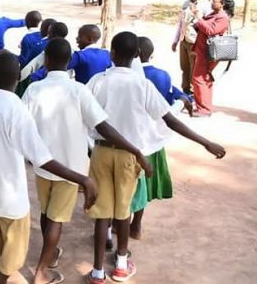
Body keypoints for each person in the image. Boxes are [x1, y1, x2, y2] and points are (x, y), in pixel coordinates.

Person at [0, 52, 98, 284]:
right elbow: (42, 159)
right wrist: (83, 179)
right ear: (17, 78)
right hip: (11, 202)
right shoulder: (17, 111)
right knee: (10, 263)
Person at [84, 32, 225, 284]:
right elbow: (170, 120)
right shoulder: (143, 85)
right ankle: (121, 264)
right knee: (123, 211)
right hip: (130, 156)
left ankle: (97, 272)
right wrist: (206, 142)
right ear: (137, 55)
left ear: (112, 54)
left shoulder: (97, 81)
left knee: (102, 214)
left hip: (101, 152)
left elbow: (84, 115)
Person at [22, 39, 151, 284]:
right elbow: (102, 126)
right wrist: (135, 150)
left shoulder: (33, 90)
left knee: (46, 212)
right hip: (70, 168)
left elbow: (22, 124)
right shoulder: (78, 90)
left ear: (46, 60)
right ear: (69, 60)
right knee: (57, 219)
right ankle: (42, 271)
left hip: (42, 165)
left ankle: (51, 255)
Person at [129, 36, 194, 241]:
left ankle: (116, 223)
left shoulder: (125, 75)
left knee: (125, 186)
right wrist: (183, 99)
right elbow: (172, 96)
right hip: (153, 140)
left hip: (129, 139)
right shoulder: (161, 76)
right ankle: (136, 225)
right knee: (144, 186)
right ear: (150, 54)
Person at [191, 0, 234, 117]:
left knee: (199, 78)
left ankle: (204, 109)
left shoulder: (223, 17)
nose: (212, 3)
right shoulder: (214, 14)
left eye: (214, 1)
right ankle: (204, 107)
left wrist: (199, 18)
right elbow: (202, 27)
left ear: (222, 4)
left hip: (208, 52)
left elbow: (211, 30)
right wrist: (197, 17)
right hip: (203, 50)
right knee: (204, 78)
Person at [171, 0, 211, 94]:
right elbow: (181, 23)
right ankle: (185, 90)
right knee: (184, 68)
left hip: (195, 42)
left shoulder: (206, 6)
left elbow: (208, 25)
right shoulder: (186, 4)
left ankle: (194, 93)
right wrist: (175, 40)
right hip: (184, 40)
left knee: (194, 69)